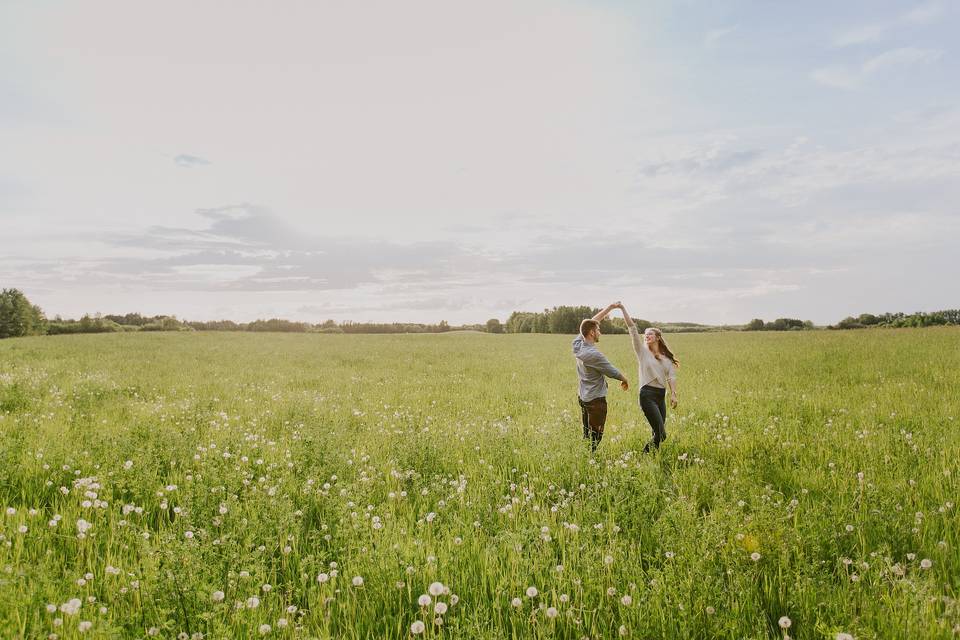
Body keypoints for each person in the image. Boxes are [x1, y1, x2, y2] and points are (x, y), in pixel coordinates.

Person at [615, 302, 679, 452]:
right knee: (661, 434)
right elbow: (632, 329)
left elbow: (671, 376)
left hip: (660, 396)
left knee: (656, 433)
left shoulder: (665, 358)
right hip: (647, 395)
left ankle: (653, 458)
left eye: (650, 333)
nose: (647, 336)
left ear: (657, 337)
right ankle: (644, 454)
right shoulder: (642, 352)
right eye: (646, 334)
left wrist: (674, 395)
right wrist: (622, 308)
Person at [572, 303, 629, 451]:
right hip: (596, 400)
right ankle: (589, 459)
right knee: (596, 436)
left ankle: (585, 455)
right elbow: (612, 371)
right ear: (591, 333)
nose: (600, 332)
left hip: (583, 396)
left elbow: (589, 322)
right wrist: (625, 379)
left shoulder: (578, 345)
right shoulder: (594, 354)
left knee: (586, 433)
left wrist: (610, 308)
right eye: (598, 330)